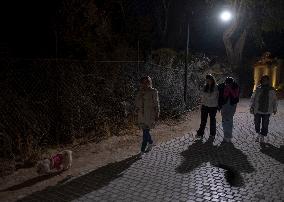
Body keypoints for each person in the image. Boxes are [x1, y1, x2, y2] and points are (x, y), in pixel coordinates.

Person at [135, 76, 160, 155]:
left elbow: (157, 103)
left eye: (147, 82)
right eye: (143, 82)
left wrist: (157, 113)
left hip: (150, 115)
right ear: (141, 83)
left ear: (150, 82)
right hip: (141, 116)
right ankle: (151, 142)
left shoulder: (153, 91)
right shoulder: (139, 92)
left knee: (145, 132)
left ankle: (142, 150)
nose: (145, 84)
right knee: (145, 132)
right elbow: (136, 103)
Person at [250, 75, 278, 143]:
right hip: (257, 109)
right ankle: (258, 133)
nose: (265, 81)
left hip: (267, 110)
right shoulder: (258, 88)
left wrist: (275, 108)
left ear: (268, 81)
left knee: (265, 124)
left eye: (266, 80)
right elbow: (253, 98)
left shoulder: (272, 89)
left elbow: (274, 100)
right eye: (263, 80)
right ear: (261, 81)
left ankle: (262, 135)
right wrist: (251, 106)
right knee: (256, 123)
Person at [196, 74, 219, 141]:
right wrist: (202, 102)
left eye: (209, 80)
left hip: (213, 106)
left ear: (212, 80)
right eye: (207, 80)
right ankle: (200, 133)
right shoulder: (205, 87)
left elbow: (212, 97)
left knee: (212, 121)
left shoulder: (216, 87)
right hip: (205, 106)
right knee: (203, 121)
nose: (208, 81)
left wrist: (205, 95)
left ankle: (212, 134)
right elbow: (202, 96)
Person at [218, 77, 240, 143]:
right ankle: (226, 135)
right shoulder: (222, 86)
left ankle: (229, 136)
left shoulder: (236, 86)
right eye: (226, 84)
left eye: (229, 84)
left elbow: (235, 96)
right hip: (224, 105)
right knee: (224, 120)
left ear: (232, 83)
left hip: (232, 105)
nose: (227, 85)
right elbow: (221, 96)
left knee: (229, 119)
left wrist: (229, 89)